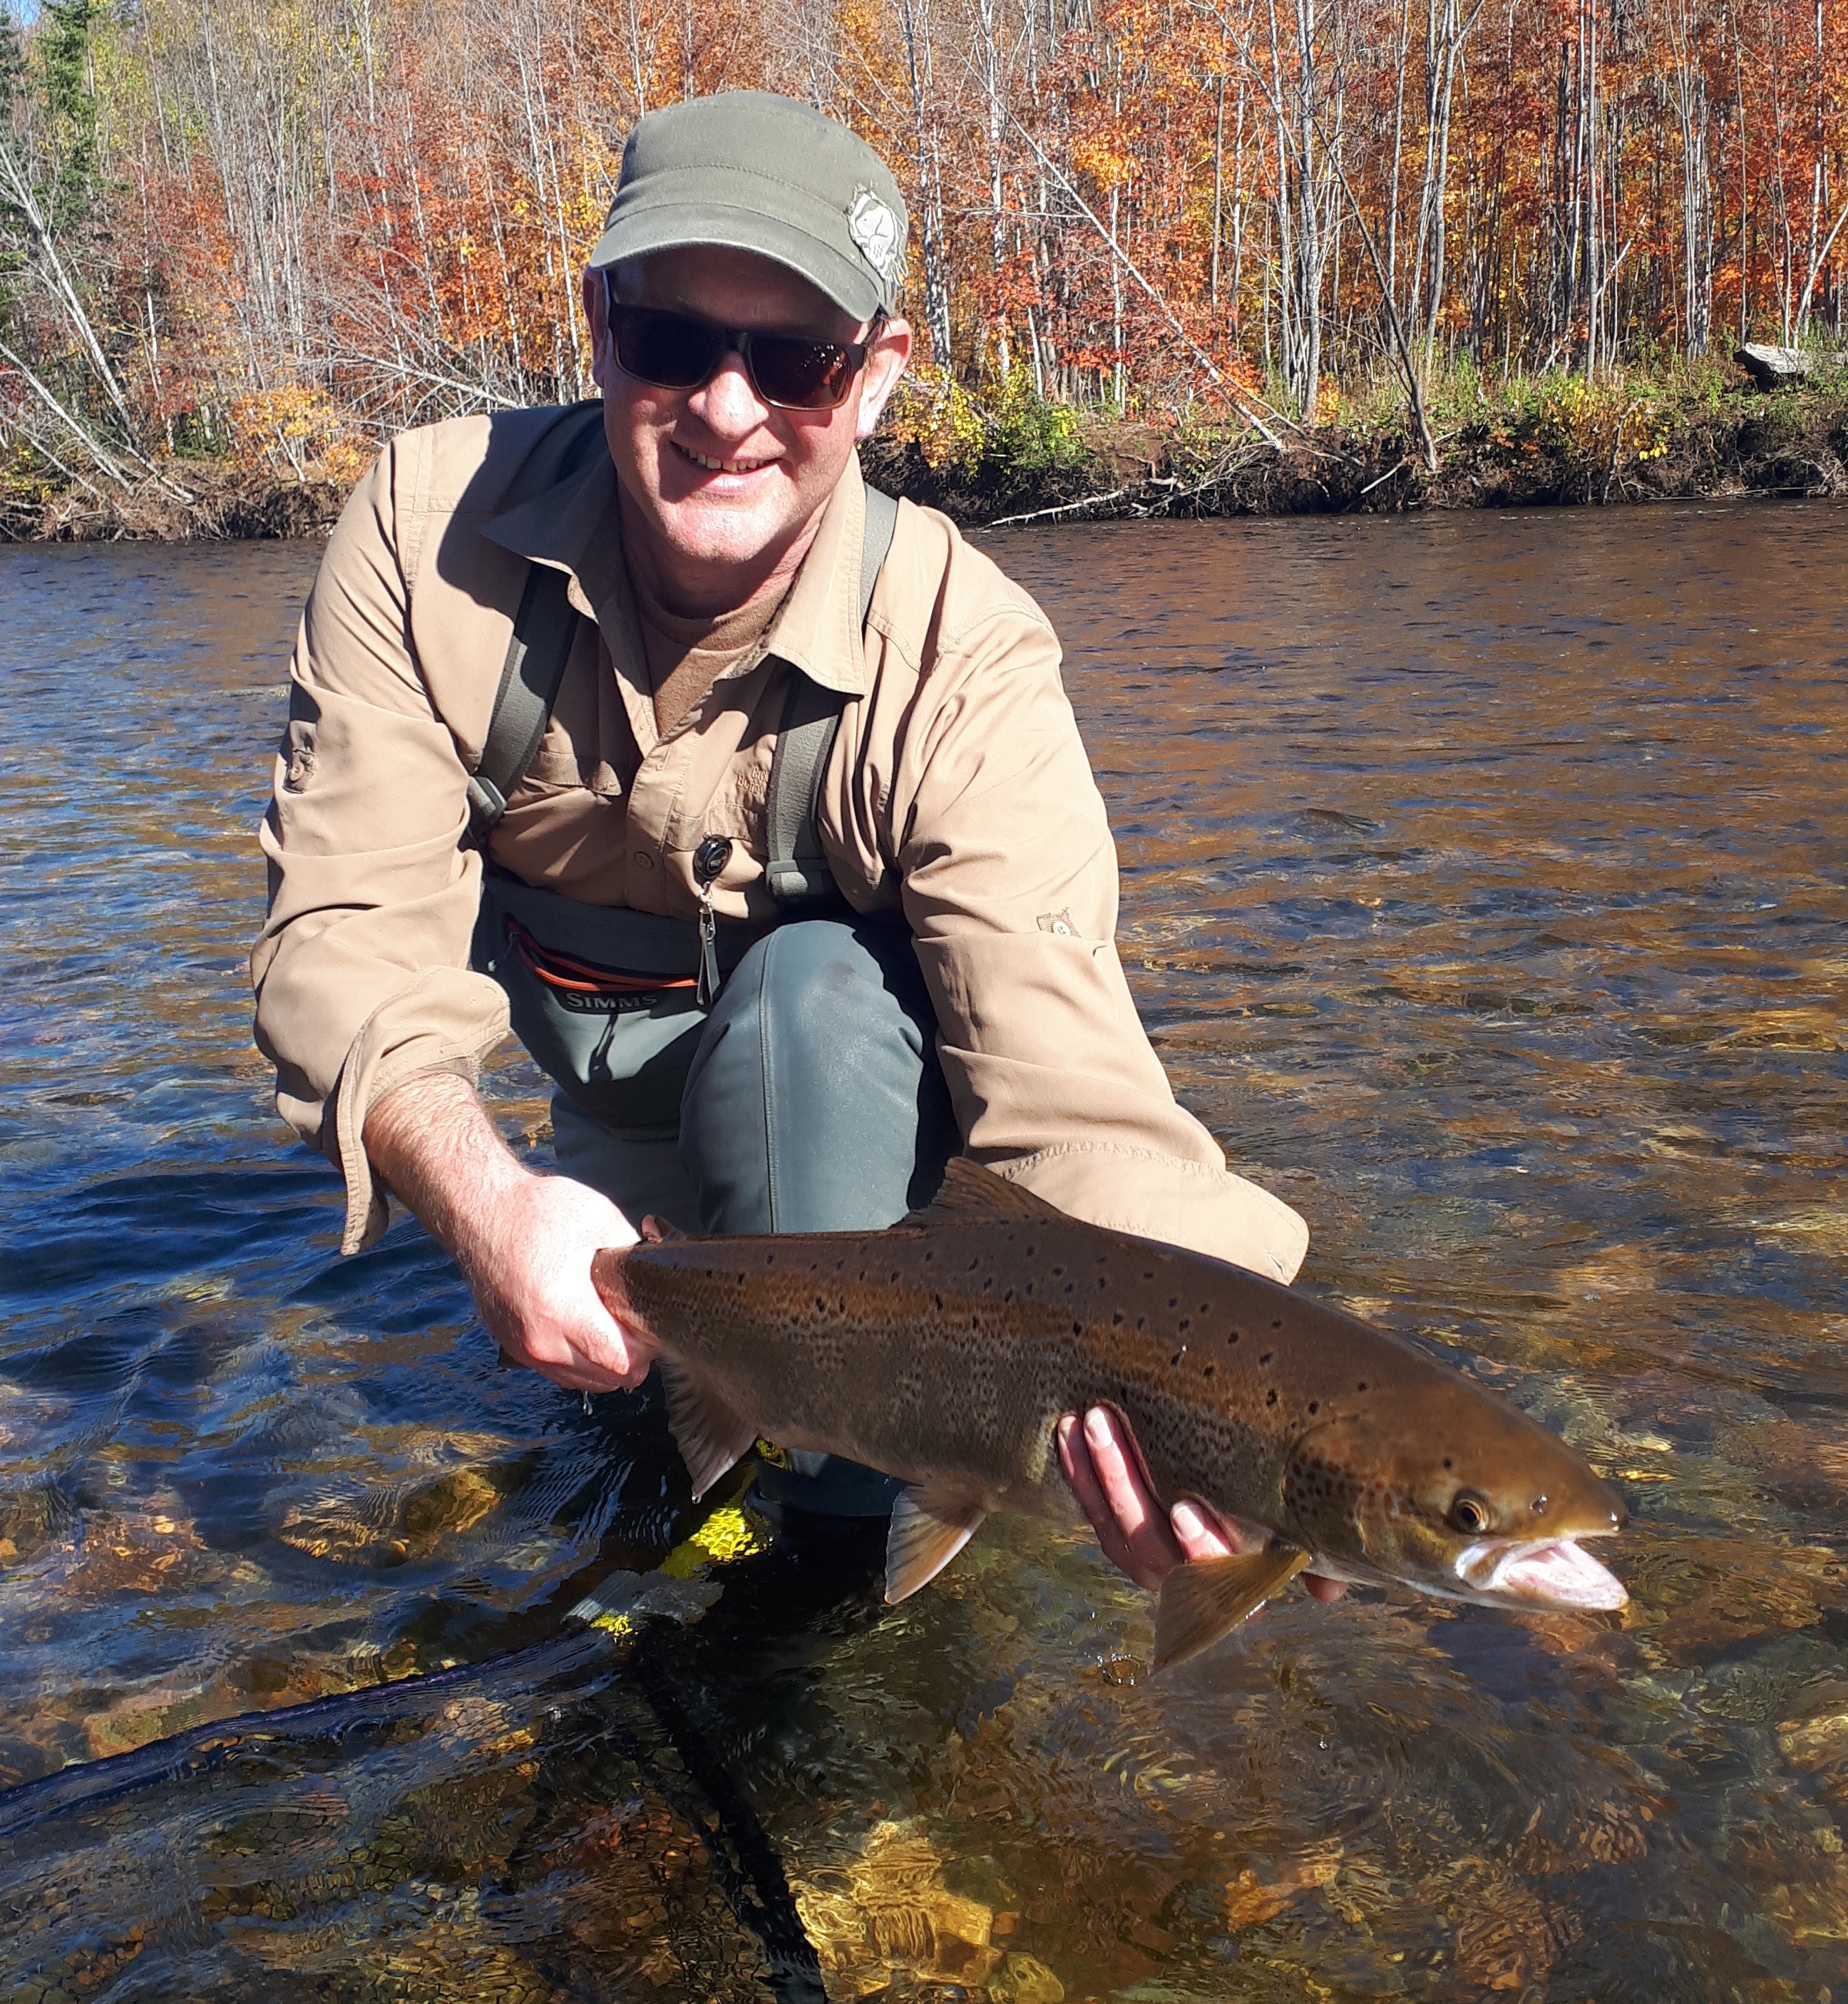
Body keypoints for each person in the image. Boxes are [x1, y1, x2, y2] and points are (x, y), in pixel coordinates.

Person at [255, 89, 1340, 1602]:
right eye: (674, 341)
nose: (724, 405)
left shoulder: (961, 653)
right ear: (598, 324)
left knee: (822, 999)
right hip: (623, 1186)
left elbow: (1076, 1097)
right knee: (649, 1427)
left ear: (878, 376)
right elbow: (342, 936)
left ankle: (836, 1566)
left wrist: (1260, 1436)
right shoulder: (429, 538)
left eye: (794, 359)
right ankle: (720, 1454)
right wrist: (488, 1201)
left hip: (893, 1206)